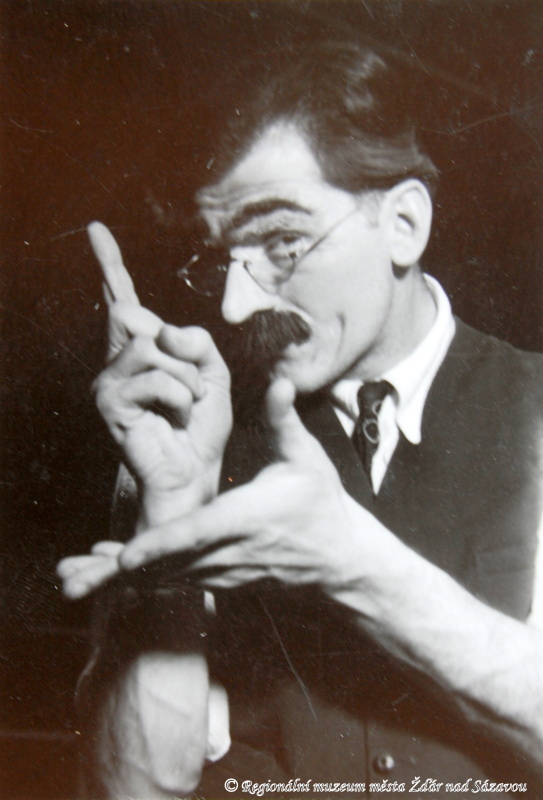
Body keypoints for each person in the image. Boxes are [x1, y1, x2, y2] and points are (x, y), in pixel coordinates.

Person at [57, 42, 543, 798]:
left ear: (403, 223)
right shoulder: (189, 438)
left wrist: (352, 564)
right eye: (223, 262)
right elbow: (134, 790)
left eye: (283, 244)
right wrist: (169, 508)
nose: (235, 308)